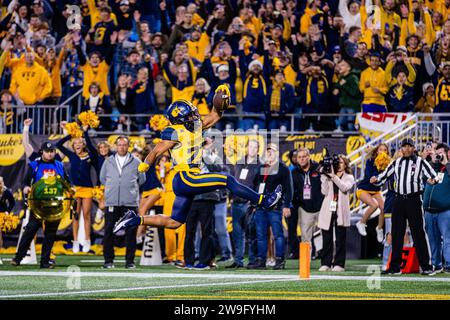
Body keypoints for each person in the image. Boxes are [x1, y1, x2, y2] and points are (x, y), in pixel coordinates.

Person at [112, 87, 282, 233]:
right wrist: (144, 166)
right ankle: (263, 200)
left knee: (174, 222)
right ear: (180, 119)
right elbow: (156, 152)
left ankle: (134, 219)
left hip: (187, 180)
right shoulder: (174, 131)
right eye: (191, 115)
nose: (195, 116)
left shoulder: (196, 125)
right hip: (186, 177)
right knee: (227, 179)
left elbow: (215, 116)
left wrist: (221, 99)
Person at [371, 138, 437, 276]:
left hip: (414, 199)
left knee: (418, 233)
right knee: (396, 233)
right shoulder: (396, 163)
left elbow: (433, 175)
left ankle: (426, 266)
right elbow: (383, 177)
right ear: (400, 149)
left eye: (409, 146)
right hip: (398, 200)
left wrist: (433, 180)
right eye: (404, 146)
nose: (406, 149)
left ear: (413, 148)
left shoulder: (420, 161)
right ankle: (395, 267)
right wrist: (376, 179)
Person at [11, 141, 71, 269]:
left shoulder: (60, 165)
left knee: (50, 234)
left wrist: (72, 188)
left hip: (55, 205)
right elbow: (25, 182)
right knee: (30, 230)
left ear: (55, 152)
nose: (50, 154)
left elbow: (67, 182)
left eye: (52, 152)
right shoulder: (34, 165)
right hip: (38, 204)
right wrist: (26, 188)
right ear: (42, 152)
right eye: (47, 151)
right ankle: (18, 257)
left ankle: (45, 261)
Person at [99, 136, 146, 269]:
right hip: (112, 201)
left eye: (124, 145)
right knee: (108, 231)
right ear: (115, 146)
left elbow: (142, 179)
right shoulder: (108, 161)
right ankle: (108, 260)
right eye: (119, 145)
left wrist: (129, 189)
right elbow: (103, 178)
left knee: (131, 232)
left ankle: (130, 261)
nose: (122, 147)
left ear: (128, 146)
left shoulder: (136, 161)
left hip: (130, 202)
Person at [250, 143, 293, 270]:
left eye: (272, 151)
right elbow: (256, 185)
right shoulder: (262, 167)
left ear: (277, 153)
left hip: (275, 207)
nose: (269, 153)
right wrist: (254, 203)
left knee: (278, 235)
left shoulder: (283, 168)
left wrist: (286, 205)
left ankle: (279, 260)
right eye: (268, 151)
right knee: (261, 235)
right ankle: (261, 260)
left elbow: (289, 189)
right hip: (261, 207)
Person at [56, 123, 99, 253]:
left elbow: (92, 148)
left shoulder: (90, 155)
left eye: (80, 142)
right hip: (75, 189)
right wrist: (71, 134)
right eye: (75, 143)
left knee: (86, 215)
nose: (77, 145)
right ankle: (75, 242)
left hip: (87, 189)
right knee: (75, 215)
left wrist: (85, 133)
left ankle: (87, 241)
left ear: (83, 144)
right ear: (73, 146)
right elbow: (58, 144)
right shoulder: (72, 155)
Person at [227, 138, 260, 268]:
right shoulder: (239, 163)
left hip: (249, 203)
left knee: (251, 233)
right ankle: (238, 260)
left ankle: (252, 260)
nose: (252, 149)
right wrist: (231, 196)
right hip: (236, 202)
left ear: (258, 149)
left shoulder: (260, 165)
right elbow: (233, 181)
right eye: (250, 146)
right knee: (237, 233)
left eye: (254, 147)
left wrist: (256, 202)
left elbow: (259, 185)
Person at [318, 155, 355, 272]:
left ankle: (339, 264)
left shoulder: (349, 177)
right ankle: (326, 263)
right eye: (337, 162)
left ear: (345, 165)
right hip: (328, 208)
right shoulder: (329, 175)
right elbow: (324, 191)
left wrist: (333, 177)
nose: (339, 165)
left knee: (340, 238)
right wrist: (324, 176)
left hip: (341, 209)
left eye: (341, 163)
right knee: (326, 237)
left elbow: (344, 188)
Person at [423, 143, 450, 273]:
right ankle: (436, 264)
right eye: (436, 153)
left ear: (446, 153)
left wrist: (446, 162)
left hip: (445, 210)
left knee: (447, 238)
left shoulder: (448, 168)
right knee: (433, 239)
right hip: (429, 211)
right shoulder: (430, 168)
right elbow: (418, 175)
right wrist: (428, 160)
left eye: (440, 153)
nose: (438, 155)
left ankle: (449, 264)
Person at [356, 143, 389, 243]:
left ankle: (379, 228)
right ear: (377, 151)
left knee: (384, 208)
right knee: (374, 205)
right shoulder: (370, 161)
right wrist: (378, 170)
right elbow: (370, 176)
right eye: (380, 149)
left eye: (385, 150)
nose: (382, 152)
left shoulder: (387, 163)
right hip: (364, 188)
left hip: (375, 190)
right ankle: (361, 223)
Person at [292, 148, 323, 252]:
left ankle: (329, 262)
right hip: (305, 208)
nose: (302, 159)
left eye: (304, 157)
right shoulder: (294, 172)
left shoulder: (318, 168)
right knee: (305, 238)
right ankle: (306, 265)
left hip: (321, 207)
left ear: (309, 157)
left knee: (328, 235)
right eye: (299, 157)